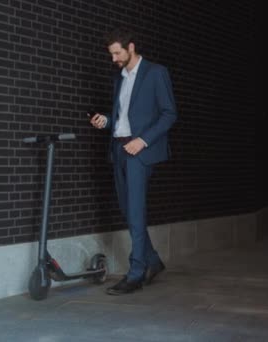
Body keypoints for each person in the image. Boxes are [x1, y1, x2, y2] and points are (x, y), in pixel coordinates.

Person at [90, 29, 178, 295]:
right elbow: (122, 117)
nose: (114, 58)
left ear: (131, 47)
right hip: (118, 148)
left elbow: (169, 114)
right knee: (128, 210)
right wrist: (106, 121)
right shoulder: (119, 78)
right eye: (111, 54)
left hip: (139, 151)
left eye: (117, 53)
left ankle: (136, 273)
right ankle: (152, 261)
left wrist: (143, 141)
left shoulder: (155, 73)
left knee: (136, 210)